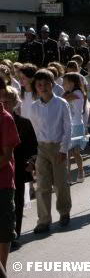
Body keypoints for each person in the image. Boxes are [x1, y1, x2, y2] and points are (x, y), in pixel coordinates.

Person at [28, 69, 72, 233]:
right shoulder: (34, 107)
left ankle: (64, 211)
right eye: (39, 84)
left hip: (58, 146)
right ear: (36, 87)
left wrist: (63, 149)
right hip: (41, 148)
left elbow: (68, 127)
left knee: (60, 183)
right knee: (42, 185)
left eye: (46, 84)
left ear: (52, 84)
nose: (43, 87)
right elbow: (33, 130)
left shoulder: (61, 103)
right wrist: (34, 153)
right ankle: (44, 220)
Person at [0, 87, 36, 246]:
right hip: (4, 168)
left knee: (17, 201)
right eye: (2, 101)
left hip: (20, 166)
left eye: (8, 102)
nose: (4, 105)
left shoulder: (24, 123)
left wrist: (32, 162)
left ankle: (14, 234)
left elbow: (32, 146)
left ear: (15, 103)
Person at [0, 81, 20, 269]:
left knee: (4, 231)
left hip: (3, 184)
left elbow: (6, 156)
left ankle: (3, 266)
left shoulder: (5, 119)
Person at [62, 73, 87, 184]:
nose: (63, 85)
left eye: (65, 83)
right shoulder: (67, 93)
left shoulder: (78, 93)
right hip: (69, 125)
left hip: (77, 125)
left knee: (76, 152)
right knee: (67, 152)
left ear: (72, 83)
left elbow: (63, 99)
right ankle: (67, 176)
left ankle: (81, 171)